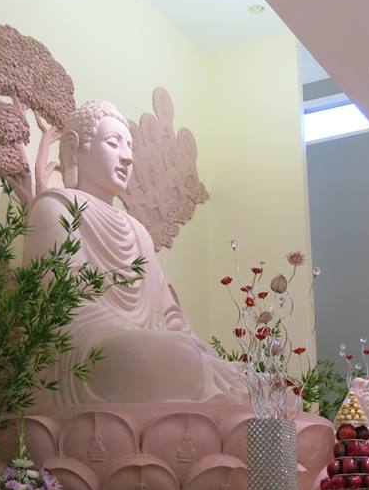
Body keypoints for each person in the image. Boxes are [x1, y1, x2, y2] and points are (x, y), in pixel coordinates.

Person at [23, 99, 246, 407]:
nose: (127, 157)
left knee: (242, 376)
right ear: (75, 147)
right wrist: (146, 340)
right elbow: (62, 308)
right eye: (113, 143)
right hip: (87, 353)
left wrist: (193, 344)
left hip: (146, 348)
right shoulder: (53, 208)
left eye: (129, 147)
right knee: (172, 357)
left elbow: (168, 313)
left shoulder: (138, 231)